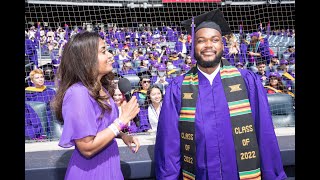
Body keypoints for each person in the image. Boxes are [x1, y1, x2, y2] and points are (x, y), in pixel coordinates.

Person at [155, 9, 287, 180]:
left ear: (222, 45)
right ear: (193, 46)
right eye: (201, 41)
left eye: (215, 40)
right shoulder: (178, 88)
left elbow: (265, 133)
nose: (208, 45)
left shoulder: (246, 81)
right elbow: (168, 143)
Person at [51, 31, 141, 180]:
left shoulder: (101, 88)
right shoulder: (77, 93)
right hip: (91, 173)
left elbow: (101, 127)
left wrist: (123, 135)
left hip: (111, 167)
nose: (110, 56)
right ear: (87, 59)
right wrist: (122, 121)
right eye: (104, 51)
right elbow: (86, 147)